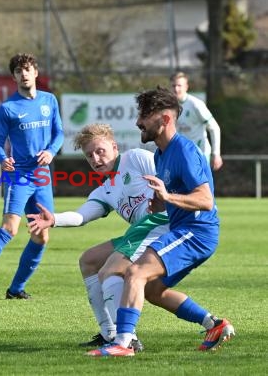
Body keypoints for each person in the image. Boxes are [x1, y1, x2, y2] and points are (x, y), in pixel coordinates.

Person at [87, 86, 235, 357]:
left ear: (165, 119)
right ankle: (214, 324)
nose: (137, 122)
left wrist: (168, 195)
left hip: (196, 231)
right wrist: (160, 202)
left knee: (134, 273)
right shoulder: (160, 154)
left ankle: (123, 342)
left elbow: (205, 200)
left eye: (144, 115)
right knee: (153, 289)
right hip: (184, 229)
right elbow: (174, 197)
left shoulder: (184, 151)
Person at [27, 123, 168, 353]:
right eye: (89, 155)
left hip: (164, 228)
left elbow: (169, 181)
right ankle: (109, 333)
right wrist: (54, 219)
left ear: (114, 146)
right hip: (141, 233)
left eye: (100, 151)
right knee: (89, 260)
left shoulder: (137, 158)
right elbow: (82, 216)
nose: (95, 158)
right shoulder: (105, 189)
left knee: (110, 270)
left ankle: (127, 338)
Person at [0, 52, 64, 302]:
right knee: (10, 228)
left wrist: (50, 151)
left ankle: (16, 288)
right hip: (20, 176)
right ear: (14, 76)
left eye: (27, 69)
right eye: (18, 71)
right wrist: (2, 158)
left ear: (35, 72)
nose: (24, 74)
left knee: (42, 235)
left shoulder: (50, 100)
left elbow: (59, 133)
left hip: (42, 177)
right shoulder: (8, 108)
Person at [170, 72, 223, 171]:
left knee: (200, 186)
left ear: (186, 87)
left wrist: (216, 154)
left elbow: (214, 128)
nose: (176, 89)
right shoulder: (170, 107)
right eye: (173, 85)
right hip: (181, 154)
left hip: (199, 154)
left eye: (179, 85)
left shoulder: (196, 104)